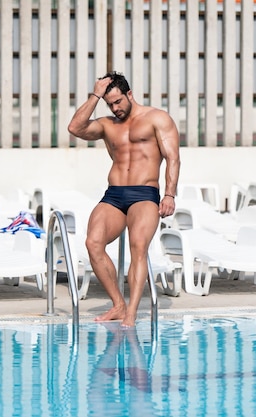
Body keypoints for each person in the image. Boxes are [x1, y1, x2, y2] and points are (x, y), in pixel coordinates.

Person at [68, 71, 180, 327]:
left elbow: (173, 158)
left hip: (144, 194)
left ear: (130, 94)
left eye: (118, 101)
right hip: (114, 195)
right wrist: (95, 95)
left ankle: (131, 312)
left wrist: (169, 194)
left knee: (138, 248)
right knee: (93, 243)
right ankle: (118, 304)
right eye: (110, 104)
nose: (115, 108)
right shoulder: (107, 124)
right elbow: (75, 127)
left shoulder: (157, 119)